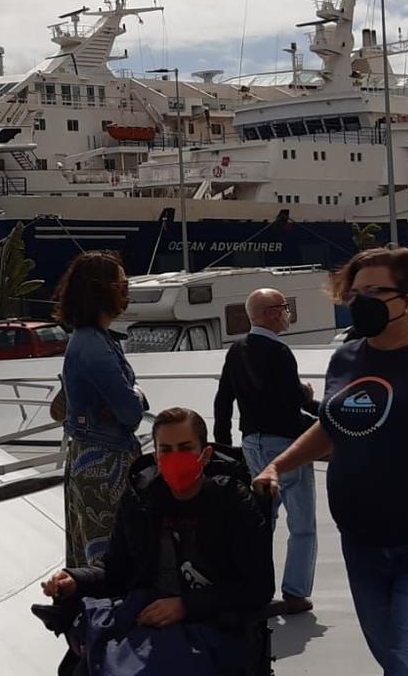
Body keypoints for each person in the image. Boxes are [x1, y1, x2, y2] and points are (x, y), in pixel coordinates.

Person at [255, 247, 408, 676]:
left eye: (374, 292)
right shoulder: (348, 357)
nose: (360, 302)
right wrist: (280, 464)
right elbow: (334, 424)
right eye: (354, 293)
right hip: (364, 546)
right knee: (396, 662)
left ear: (407, 302)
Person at [41, 407, 274, 674]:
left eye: (186, 448)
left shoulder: (232, 501)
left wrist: (186, 606)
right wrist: (75, 580)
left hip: (213, 621)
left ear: (205, 455)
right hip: (148, 616)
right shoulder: (142, 498)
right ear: (157, 457)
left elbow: (258, 587)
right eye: (166, 450)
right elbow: (116, 569)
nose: (176, 458)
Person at [213, 287, 319, 615]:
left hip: (250, 444)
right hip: (283, 445)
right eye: (284, 307)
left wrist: (223, 443)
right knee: (301, 523)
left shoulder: (237, 350)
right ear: (271, 312)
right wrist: (308, 397)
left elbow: (223, 399)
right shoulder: (280, 352)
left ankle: (254, 588)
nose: (287, 313)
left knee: (261, 521)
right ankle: (295, 593)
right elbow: (289, 400)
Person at [56, 250, 148, 568]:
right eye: (122, 284)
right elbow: (131, 413)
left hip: (93, 458)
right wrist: (137, 394)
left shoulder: (91, 340)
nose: (127, 291)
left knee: (95, 557)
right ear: (101, 290)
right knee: (110, 561)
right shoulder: (96, 346)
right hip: (105, 467)